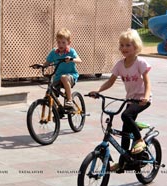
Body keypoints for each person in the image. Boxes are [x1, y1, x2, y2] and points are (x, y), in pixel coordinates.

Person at [89, 29, 152, 172]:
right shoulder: (119, 65)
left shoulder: (140, 63)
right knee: (124, 132)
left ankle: (139, 140)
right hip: (130, 100)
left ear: (135, 47)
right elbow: (110, 82)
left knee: (125, 115)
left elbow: (148, 83)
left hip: (142, 100)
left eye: (128, 45)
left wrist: (146, 97)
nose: (124, 48)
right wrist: (98, 91)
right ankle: (123, 162)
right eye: (122, 45)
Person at [45, 28, 82, 108]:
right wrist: (40, 65)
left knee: (64, 77)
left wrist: (72, 59)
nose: (60, 45)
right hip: (57, 77)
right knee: (50, 92)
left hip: (71, 76)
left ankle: (69, 100)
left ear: (69, 43)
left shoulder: (71, 52)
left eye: (63, 42)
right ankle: (57, 111)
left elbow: (79, 60)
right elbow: (47, 63)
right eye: (58, 42)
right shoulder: (54, 52)